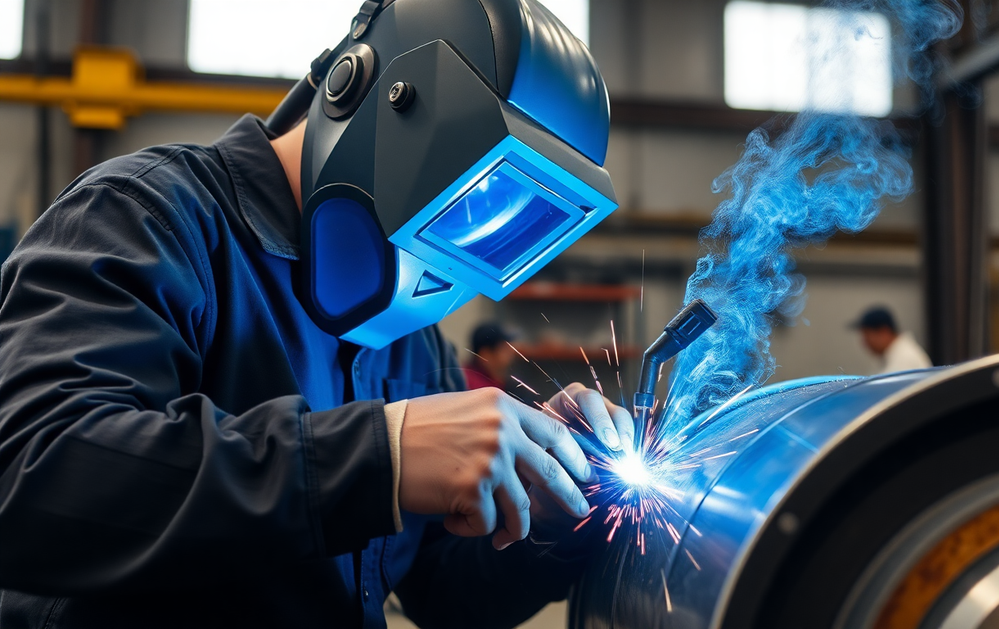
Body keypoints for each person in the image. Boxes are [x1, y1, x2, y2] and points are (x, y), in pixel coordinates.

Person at [0, 1, 632, 627]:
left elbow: (443, 590)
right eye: (475, 196)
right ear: (363, 90)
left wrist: (552, 511)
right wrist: (380, 456)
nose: (468, 237)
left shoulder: (412, 341)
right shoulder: (148, 219)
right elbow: (34, 475)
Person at [851, 306, 933, 373]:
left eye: (867, 335)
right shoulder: (893, 354)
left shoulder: (904, 358)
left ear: (884, 332)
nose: (864, 342)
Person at [463, 323, 518, 391]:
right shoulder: (475, 388)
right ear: (486, 354)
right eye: (504, 348)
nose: (511, 352)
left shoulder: (493, 381)